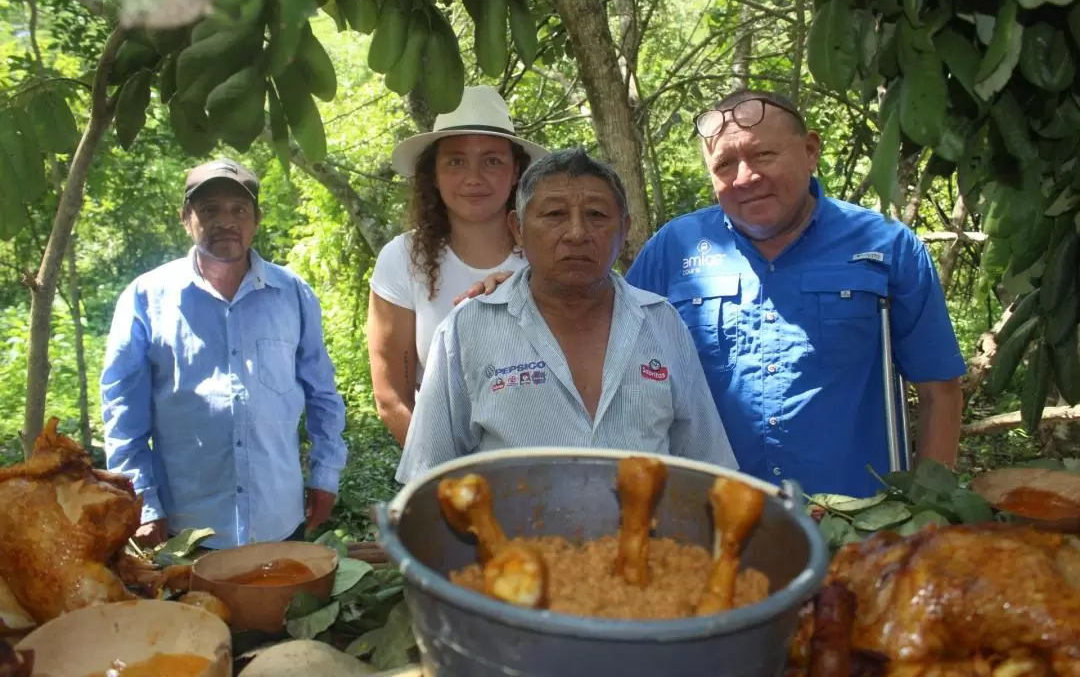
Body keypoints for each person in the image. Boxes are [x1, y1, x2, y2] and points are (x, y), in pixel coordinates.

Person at [624, 90, 965, 498]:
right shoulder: (672, 250)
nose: (746, 176)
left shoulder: (888, 247)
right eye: (725, 164)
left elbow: (939, 391)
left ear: (810, 150)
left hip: (859, 523)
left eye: (764, 155)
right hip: (707, 519)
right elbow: (622, 382)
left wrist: (929, 512)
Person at [396, 148, 738, 483]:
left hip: (644, 539)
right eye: (554, 214)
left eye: (597, 215)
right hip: (511, 540)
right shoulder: (467, 329)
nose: (577, 233)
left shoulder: (662, 323)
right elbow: (428, 477)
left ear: (625, 228)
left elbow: (708, 470)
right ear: (517, 228)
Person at [100, 158, 348, 550]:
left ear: (257, 219)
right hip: (188, 530)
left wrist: (325, 473)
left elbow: (322, 395)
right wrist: (143, 502)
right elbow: (122, 414)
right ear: (186, 218)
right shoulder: (146, 298)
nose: (225, 221)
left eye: (238, 210)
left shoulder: (293, 295)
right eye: (209, 209)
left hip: (279, 519)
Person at [368, 86, 549, 447]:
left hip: (550, 464)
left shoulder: (550, 254)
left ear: (516, 171)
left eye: (492, 160)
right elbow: (391, 399)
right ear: (433, 174)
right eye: (455, 161)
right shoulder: (402, 259)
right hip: (447, 478)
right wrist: (448, 478)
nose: (473, 177)